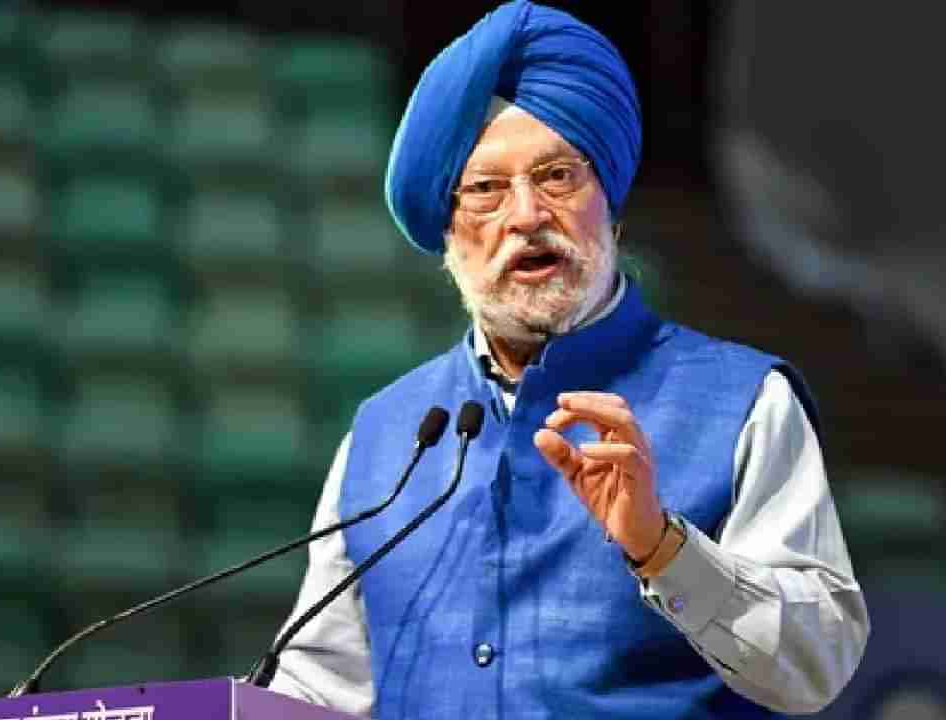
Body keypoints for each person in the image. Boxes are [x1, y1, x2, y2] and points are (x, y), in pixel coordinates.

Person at [266, 2, 869, 717]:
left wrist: (664, 550)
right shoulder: (385, 432)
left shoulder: (746, 401)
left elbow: (817, 664)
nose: (526, 216)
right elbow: (319, 690)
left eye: (557, 177)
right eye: (485, 190)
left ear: (610, 205)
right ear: (448, 232)